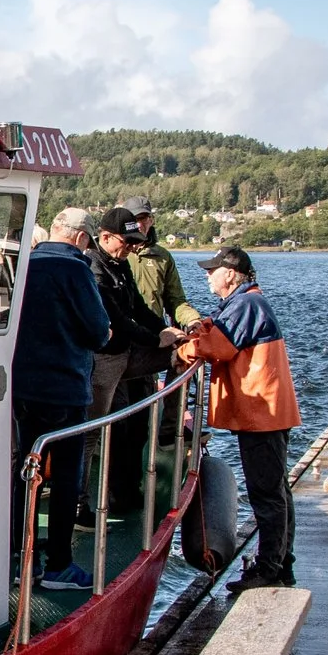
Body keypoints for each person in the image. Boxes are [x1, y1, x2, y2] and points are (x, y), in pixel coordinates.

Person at [175, 245, 302, 591]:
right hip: (265, 411)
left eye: (212, 270)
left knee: (267, 494)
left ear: (230, 274)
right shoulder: (246, 302)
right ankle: (280, 563)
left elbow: (219, 346)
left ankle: (270, 569)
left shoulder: (247, 303)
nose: (207, 275)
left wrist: (183, 349)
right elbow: (217, 331)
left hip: (262, 413)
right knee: (276, 490)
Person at [12, 207, 109, 591]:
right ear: (82, 238)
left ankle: (21, 557)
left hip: (22, 386)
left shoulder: (24, 264)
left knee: (25, 472)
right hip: (65, 387)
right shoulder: (77, 270)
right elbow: (99, 332)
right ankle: (59, 565)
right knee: (67, 475)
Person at [87, 207, 184, 515]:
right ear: (105, 237)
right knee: (95, 432)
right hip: (104, 360)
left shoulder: (121, 264)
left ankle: (169, 430)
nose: (131, 248)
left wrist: (165, 330)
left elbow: (139, 308)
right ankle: (82, 503)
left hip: (125, 356)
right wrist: (155, 339)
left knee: (131, 426)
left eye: (134, 242)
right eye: (126, 242)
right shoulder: (94, 268)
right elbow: (116, 317)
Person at [124, 204, 199, 330]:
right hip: (121, 334)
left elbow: (175, 299)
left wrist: (192, 319)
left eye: (143, 218)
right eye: (134, 220)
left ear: (151, 220)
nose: (138, 224)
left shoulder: (163, 257)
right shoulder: (115, 253)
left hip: (153, 332)